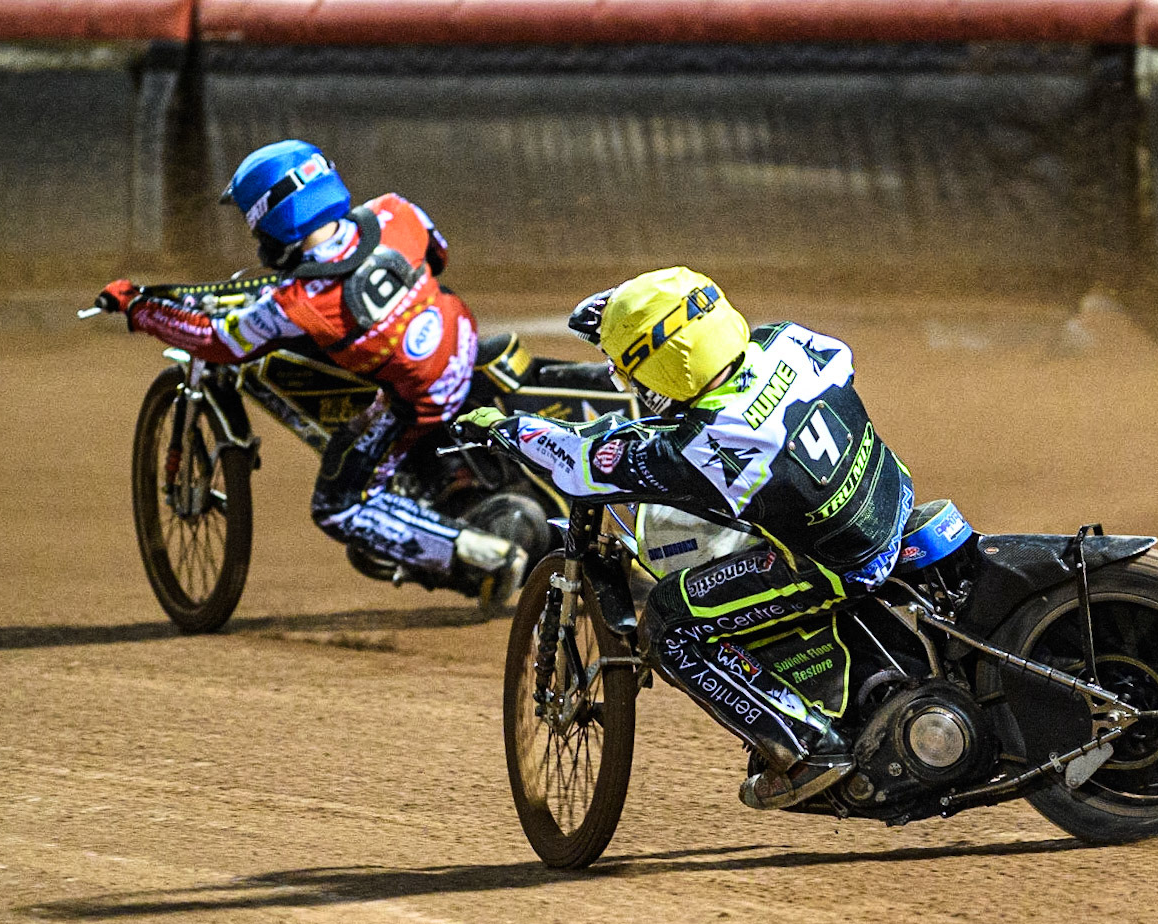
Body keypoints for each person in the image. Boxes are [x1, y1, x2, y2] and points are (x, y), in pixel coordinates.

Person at [457, 266, 914, 810]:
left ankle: (804, 749)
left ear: (666, 366)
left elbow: (581, 465)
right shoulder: (792, 341)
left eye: (634, 373)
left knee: (670, 625)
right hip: (892, 502)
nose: (630, 386)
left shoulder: (703, 446)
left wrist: (503, 428)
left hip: (835, 564)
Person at [96, 139, 525, 608]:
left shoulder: (298, 304)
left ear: (274, 219)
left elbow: (217, 341)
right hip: (459, 335)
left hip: (421, 396)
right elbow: (437, 256)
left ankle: (483, 557)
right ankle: (448, 483)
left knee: (337, 504)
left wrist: (139, 307)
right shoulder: (395, 210)